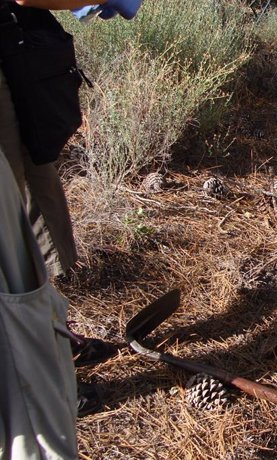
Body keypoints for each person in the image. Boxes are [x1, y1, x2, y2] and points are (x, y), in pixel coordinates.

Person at [1, 1, 141, 457]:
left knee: (38, 204)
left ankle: (57, 344)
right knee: (10, 247)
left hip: (15, 54)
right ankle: (38, 382)